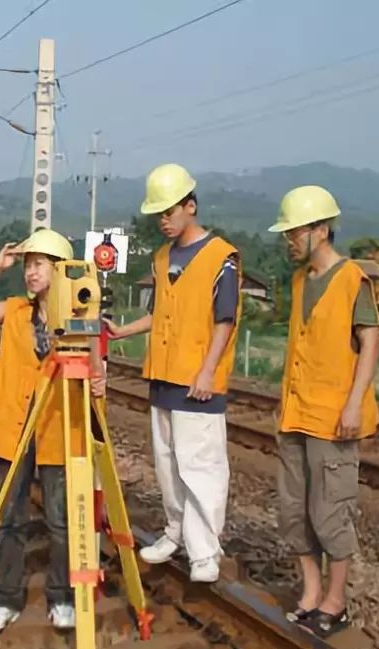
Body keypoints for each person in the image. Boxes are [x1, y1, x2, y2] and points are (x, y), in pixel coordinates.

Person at [0, 229, 105, 633]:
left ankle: (61, 597)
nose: (30, 272)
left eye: (38, 264)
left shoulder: (78, 316)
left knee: (61, 519)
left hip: (58, 429)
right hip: (12, 427)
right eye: (27, 264)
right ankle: (5, 599)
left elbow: (95, 366)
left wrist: (97, 379)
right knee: (11, 518)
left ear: (59, 270)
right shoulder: (13, 310)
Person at [106, 163, 240, 583]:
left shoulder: (223, 257)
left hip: (197, 381)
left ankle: (205, 551)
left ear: (191, 205)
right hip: (163, 376)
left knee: (200, 466)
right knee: (167, 463)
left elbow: (225, 320)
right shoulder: (162, 258)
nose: (163, 220)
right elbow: (160, 314)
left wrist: (207, 371)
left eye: (169, 211)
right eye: (158, 214)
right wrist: (123, 330)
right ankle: (175, 532)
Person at [268, 185, 379, 638]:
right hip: (296, 412)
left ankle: (336, 601)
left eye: (294, 231)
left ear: (321, 229)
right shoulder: (299, 281)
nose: (289, 240)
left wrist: (354, 402)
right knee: (293, 510)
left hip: (334, 416)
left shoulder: (353, 278)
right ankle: (311, 593)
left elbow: (370, 343)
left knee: (330, 511)